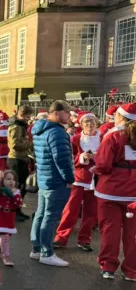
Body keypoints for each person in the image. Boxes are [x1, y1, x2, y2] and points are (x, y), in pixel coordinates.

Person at [30, 100, 75, 267]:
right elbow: (62, 160)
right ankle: (46, 252)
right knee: (50, 217)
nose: (69, 116)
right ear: (56, 113)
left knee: (41, 214)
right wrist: (70, 179)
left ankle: (36, 248)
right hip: (56, 181)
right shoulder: (57, 132)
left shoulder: (40, 129)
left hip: (44, 178)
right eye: (67, 113)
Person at [94, 103, 136, 280]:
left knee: (110, 230)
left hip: (110, 190)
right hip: (133, 191)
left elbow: (103, 165)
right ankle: (132, 270)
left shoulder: (113, 136)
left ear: (121, 117)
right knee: (132, 234)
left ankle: (108, 267)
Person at [53, 111, 99, 252]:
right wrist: (81, 157)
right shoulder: (75, 139)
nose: (90, 124)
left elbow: (110, 157)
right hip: (78, 179)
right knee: (71, 210)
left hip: (97, 180)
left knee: (91, 212)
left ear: (96, 122)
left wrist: (98, 157)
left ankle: (85, 239)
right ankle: (61, 237)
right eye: (86, 121)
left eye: (92, 121)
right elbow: (68, 159)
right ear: (81, 124)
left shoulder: (103, 138)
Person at [0, 170, 23, 267]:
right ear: (2, 180)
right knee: (5, 237)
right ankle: (6, 257)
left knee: (7, 236)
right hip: (0, 216)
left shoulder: (16, 192)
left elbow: (19, 204)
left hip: (10, 217)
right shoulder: (0, 190)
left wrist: (15, 194)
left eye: (13, 179)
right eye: (8, 179)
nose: (11, 181)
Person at [7, 106, 33, 222]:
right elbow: (15, 144)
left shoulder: (20, 126)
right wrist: (30, 144)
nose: (29, 119)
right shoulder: (17, 127)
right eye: (28, 116)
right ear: (22, 115)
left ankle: (17, 209)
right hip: (16, 159)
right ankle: (13, 211)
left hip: (21, 158)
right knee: (17, 186)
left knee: (21, 186)